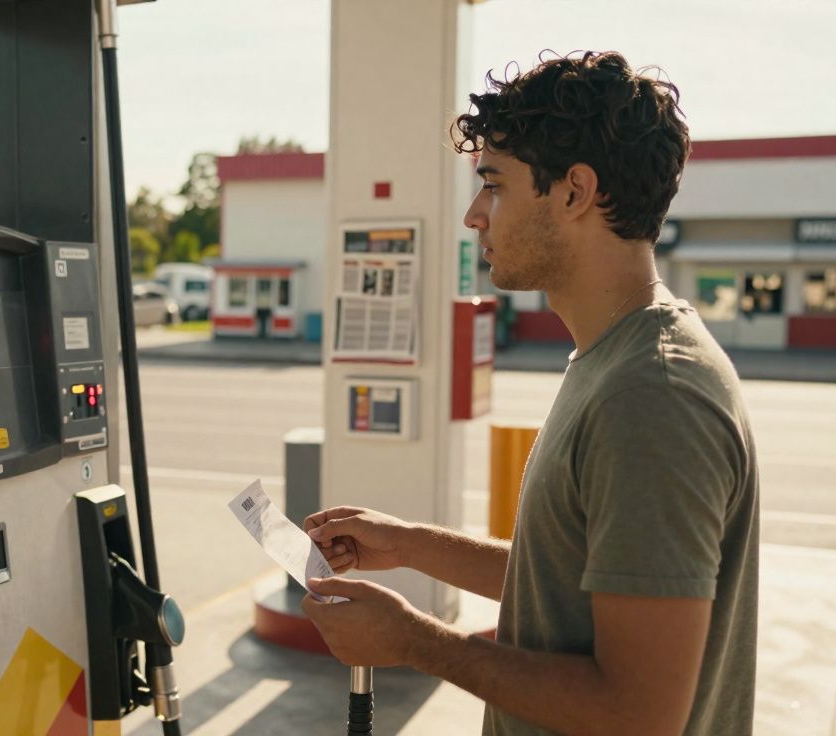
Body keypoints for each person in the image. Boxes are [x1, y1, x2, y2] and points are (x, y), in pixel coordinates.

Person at [301, 51, 758, 736]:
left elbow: (637, 713)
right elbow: (578, 579)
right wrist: (409, 544)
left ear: (574, 192)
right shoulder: (613, 360)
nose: (473, 216)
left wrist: (414, 641)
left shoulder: (653, 395)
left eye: (494, 185)